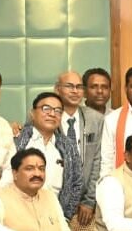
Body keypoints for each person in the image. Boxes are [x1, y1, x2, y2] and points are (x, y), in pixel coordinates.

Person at [13, 92, 83, 220]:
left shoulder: (68, 146)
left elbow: (76, 183)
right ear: (32, 113)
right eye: (46, 109)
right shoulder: (17, 139)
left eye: (58, 111)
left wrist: (66, 216)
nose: (52, 114)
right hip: (19, 214)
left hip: (55, 218)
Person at [0, 148, 78, 231]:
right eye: (29, 168)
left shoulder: (49, 196)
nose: (37, 174)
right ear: (15, 173)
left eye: (41, 169)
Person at [54, 70, 104, 231]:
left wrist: (89, 201)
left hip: (84, 204)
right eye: (69, 86)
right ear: (57, 89)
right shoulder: (46, 117)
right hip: (53, 198)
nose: (75, 91)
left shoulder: (95, 119)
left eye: (79, 87)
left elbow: (97, 161)